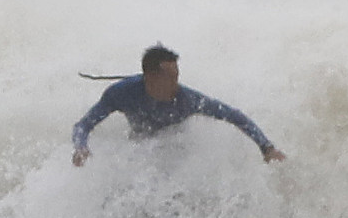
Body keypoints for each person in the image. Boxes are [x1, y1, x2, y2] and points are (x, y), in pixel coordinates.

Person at [72, 45, 285, 166]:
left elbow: (235, 116)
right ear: (150, 77)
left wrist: (266, 147)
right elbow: (83, 125)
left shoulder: (188, 100)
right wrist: (81, 147)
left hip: (174, 151)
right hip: (140, 147)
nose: (176, 84)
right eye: (170, 78)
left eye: (177, 76)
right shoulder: (122, 93)